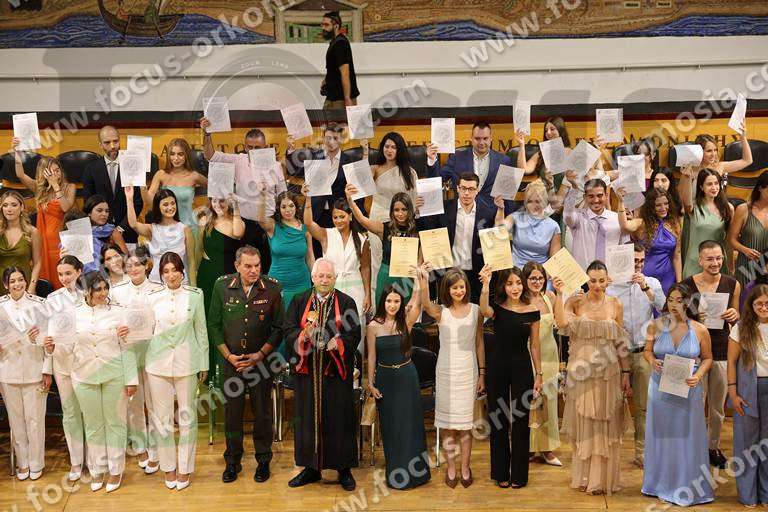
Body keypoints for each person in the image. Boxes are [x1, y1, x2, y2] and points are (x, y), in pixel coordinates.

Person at [553, 261, 632, 496]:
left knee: (606, 425)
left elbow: (620, 343)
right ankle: (586, 478)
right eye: (593, 280)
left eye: (601, 280)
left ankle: (603, 479)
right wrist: (560, 294)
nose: (597, 285)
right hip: (582, 374)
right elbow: (561, 323)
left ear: (608, 280)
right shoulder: (576, 301)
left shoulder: (616, 304)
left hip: (608, 374)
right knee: (585, 425)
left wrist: (626, 372)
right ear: (586, 280)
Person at [207, 246, 284, 484]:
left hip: (261, 363)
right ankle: (232, 461)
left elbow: (279, 328)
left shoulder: (272, 288)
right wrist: (228, 356)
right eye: (248, 266)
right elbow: (214, 325)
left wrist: (259, 355)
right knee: (232, 414)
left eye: (257, 265)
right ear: (237, 266)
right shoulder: (222, 286)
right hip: (232, 362)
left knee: (262, 413)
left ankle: (263, 460)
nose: (253, 270)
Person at [285, 258, 361, 491]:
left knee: (339, 419)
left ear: (335, 278)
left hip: (335, 374)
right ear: (313, 278)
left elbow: (354, 334)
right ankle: (311, 468)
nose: (325, 280)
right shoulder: (299, 301)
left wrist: (338, 343)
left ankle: (343, 469)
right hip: (307, 374)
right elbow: (288, 330)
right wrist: (303, 336)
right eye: (320, 276)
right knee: (307, 419)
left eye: (329, 276)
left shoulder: (346, 302)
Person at [641, 283, 714, 506]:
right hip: (660, 389)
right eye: (670, 300)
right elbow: (646, 351)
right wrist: (652, 361)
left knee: (687, 437)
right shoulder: (655, 326)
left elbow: (708, 358)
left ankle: (687, 484)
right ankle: (658, 483)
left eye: (679, 300)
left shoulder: (700, 329)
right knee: (662, 436)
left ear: (688, 303)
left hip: (688, 389)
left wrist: (698, 375)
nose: (674, 305)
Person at [145, 252, 208, 491]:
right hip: (157, 365)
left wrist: (204, 363)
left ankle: (185, 467)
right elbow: (145, 330)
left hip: (187, 362)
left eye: (175, 270)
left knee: (187, 417)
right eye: (166, 271)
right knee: (161, 420)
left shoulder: (195, 294)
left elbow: (201, 330)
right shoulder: (152, 297)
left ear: (182, 271)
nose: (171, 275)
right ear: (161, 274)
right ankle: (168, 466)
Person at [420, 266, 484, 488]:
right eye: (454, 287)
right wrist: (423, 278)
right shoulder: (441, 311)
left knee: (466, 425)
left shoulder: (476, 310)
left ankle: (465, 468)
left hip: (468, 371)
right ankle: (451, 467)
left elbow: (479, 343)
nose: (459, 291)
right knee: (448, 426)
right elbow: (425, 303)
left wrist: (482, 373)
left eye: (462, 287)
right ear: (447, 290)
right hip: (446, 371)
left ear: (467, 288)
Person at [72, 271, 135, 493]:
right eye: (97, 289)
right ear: (86, 291)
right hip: (84, 376)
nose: (102, 293)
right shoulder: (73, 313)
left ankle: (116, 469)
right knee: (93, 425)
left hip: (114, 375)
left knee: (115, 423)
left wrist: (131, 379)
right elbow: (66, 346)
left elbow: (127, 347)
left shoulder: (118, 312)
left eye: (105, 288)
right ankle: (97, 468)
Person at [478, 265, 541, 488]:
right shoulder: (496, 308)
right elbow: (483, 309)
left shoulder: (532, 310)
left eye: (518, 283)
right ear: (503, 287)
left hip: (522, 367)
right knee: (498, 420)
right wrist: (485, 284)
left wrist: (539, 374)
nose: (515, 287)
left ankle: (519, 475)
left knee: (521, 421)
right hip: (497, 367)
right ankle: (501, 472)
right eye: (510, 283)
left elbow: (535, 346)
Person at [681, 240, 741, 469]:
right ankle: (693, 448)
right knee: (695, 403)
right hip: (695, 353)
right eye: (710, 259)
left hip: (722, 350)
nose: (715, 263)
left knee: (717, 407)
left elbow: (737, 318)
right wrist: (693, 318)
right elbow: (675, 319)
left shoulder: (732, 284)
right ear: (700, 260)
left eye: (718, 258)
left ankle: (713, 447)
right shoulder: (686, 286)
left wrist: (735, 314)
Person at [366, 280, 430, 490]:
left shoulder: (406, 322)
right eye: (389, 301)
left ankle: (416, 474)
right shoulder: (373, 326)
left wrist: (420, 278)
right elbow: (371, 356)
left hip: (406, 377)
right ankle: (395, 473)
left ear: (401, 303)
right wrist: (371, 384)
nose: (392, 305)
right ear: (382, 302)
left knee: (410, 425)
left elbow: (417, 300)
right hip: (385, 379)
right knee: (391, 426)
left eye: (396, 301)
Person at [200, 120, 287, 273]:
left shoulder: (276, 166)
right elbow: (210, 156)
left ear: (265, 146)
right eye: (250, 147)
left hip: (270, 224)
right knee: (246, 270)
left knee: (269, 268)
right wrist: (206, 134)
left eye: (257, 147)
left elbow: (282, 196)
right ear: (245, 147)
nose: (253, 151)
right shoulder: (238, 160)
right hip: (245, 226)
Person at [605, 243, 665, 467]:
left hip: (642, 351)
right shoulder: (610, 286)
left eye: (641, 261)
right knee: (610, 405)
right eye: (634, 261)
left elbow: (664, 307)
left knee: (643, 406)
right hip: (614, 354)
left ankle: (642, 452)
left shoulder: (653, 283)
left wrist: (645, 287)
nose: (638, 266)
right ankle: (607, 453)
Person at [109, 247, 162, 474]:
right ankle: (140, 447)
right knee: (134, 405)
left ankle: (157, 451)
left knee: (155, 404)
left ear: (147, 265)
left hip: (153, 352)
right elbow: (111, 320)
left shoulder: (158, 289)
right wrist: (117, 330)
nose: (133, 269)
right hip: (129, 353)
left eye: (137, 264)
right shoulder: (117, 291)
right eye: (129, 265)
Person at [0, 266, 51, 481]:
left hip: (34, 369)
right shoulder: (1, 306)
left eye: (20, 279)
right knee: (16, 421)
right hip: (8, 370)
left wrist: (47, 370)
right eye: (12, 281)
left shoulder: (39, 305)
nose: (17, 284)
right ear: (6, 285)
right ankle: (22, 463)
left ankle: (36, 463)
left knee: (35, 420)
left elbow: (49, 342)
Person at [303, 191, 371, 348]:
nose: (338, 220)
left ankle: (356, 361)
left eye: (342, 216)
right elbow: (308, 222)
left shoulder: (362, 239)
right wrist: (308, 198)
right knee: (331, 328)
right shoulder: (326, 234)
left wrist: (368, 294)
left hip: (356, 290)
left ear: (350, 216)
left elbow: (366, 268)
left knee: (355, 330)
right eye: (335, 217)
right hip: (331, 288)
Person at [285, 123, 361, 251]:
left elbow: (357, 193)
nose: (331, 142)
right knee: (315, 252)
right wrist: (291, 149)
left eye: (335, 138)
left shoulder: (350, 160)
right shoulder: (313, 156)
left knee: (337, 252)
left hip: (339, 216)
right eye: (328, 138)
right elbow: (293, 170)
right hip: (315, 214)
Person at [420, 173, 495, 302]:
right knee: (446, 310)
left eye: (471, 189)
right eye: (463, 188)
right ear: (457, 188)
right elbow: (428, 230)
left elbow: (494, 241)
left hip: (475, 274)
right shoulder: (444, 209)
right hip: (448, 272)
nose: (466, 193)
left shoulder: (488, 213)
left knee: (473, 311)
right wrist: (421, 210)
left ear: (477, 190)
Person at [44, 256, 86, 481]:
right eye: (60, 274)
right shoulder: (52, 299)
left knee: (89, 411)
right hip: (61, 363)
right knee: (70, 413)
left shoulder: (88, 294)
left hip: (86, 362)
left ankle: (94, 458)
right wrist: (47, 364)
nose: (64, 278)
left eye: (68, 273)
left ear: (79, 271)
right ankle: (76, 461)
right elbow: (46, 334)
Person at [11, 140, 75, 289]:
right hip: (42, 241)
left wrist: (56, 185)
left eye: (57, 170)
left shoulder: (69, 187)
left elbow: (65, 207)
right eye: (51, 172)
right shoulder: (39, 189)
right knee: (46, 277)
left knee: (62, 275)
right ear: (44, 174)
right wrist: (17, 152)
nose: (56, 174)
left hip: (60, 241)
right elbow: (20, 174)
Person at [361, 132, 418, 298]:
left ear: (400, 150)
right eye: (387, 146)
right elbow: (361, 181)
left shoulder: (409, 172)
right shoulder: (375, 169)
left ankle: (402, 301)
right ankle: (376, 301)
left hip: (401, 221)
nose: (390, 150)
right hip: (378, 218)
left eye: (394, 147)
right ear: (382, 148)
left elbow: (413, 201)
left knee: (401, 262)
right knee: (377, 260)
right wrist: (365, 151)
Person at [728, 284, 768, 507]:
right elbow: (731, 362)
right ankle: (748, 495)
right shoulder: (741, 328)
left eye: (767, 303)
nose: (763, 307)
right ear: (751, 306)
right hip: (747, 390)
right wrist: (733, 392)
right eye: (758, 303)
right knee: (747, 443)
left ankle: (766, 493)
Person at [196, 196, 245, 380]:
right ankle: (208, 372)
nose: (218, 205)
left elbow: (238, 233)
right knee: (210, 321)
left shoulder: (236, 221)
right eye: (214, 201)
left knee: (228, 323)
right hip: (207, 277)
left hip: (228, 281)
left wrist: (236, 206)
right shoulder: (205, 220)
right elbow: (199, 249)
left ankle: (228, 370)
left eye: (222, 201)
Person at [346, 189, 420, 304]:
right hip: (387, 277)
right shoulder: (384, 228)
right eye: (396, 210)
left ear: (410, 210)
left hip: (407, 279)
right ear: (391, 211)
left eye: (404, 209)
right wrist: (351, 201)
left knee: (406, 312)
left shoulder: (417, 229)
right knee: (384, 312)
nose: (400, 213)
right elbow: (362, 219)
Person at [521, 262, 562, 466]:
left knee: (550, 404)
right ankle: (528, 448)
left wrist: (561, 294)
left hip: (550, 355)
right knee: (530, 403)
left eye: (540, 278)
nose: (537, 282)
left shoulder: (550, 297)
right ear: (525, 280)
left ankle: (547, 449)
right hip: (529, 356)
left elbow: (561, 323)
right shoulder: (520, 301)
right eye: (533, 278)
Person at [426, 121, 513, 213]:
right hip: (462, 213)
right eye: (477, 138)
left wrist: (508, 218)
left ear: (491, 138)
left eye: (485, 138)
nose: (481, 142)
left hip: (492, 215)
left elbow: (508, 195)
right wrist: (432, 160)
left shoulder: (504, 161)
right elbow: (436, 181)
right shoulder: (456, 158)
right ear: (471, 138)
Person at [82, 126, 144, 244]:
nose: (112, 146)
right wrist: (104, 227)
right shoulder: (91, 169)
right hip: (101, 233)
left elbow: (137, 202)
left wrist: (121, 228)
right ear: (100, 144)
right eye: (107, 142)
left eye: (115, 141)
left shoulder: (132, 165)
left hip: (128, 232)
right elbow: (89, 202)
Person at [617, 187, 682, 295]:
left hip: (668, 277)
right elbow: (625, 226)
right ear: (651, 207)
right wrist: (621, 202)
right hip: (645, 277)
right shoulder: (642, 223)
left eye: (666, 204)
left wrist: (679, 283)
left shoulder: (674, 224)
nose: (663, 208)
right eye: (658, 205)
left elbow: (677, 256)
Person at [256, 191, 312, 314]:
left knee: (301, 319)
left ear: (296, 207)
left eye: (291, 206)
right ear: (278, 208)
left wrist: (315, 277)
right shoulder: (273, 226)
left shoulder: (305, 228)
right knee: (278, 320)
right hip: (277, 283)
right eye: (283, 206)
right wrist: (262, 196)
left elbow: (309, 257)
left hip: (302, 282)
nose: (288, 210)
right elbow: (260, 219)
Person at [125, 187, 194, 285]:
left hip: (180, 283)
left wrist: (194, 287)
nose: (170, 207)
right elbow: (133, 224)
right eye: (165, 204)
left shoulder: (185, 229)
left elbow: (191, 262)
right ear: (158, 207)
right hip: (156, 283)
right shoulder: (151, 229)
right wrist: (129, 199)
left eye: (173, 203)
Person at [679, 168, 733, 278]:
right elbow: (686, 202)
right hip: (695, 262)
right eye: (709, 184)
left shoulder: (728, 208)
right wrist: (687, 178)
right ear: (701, 187)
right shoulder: (693, 207)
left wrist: (731, 265)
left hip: (717, 262)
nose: (714, 187)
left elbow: (729, 240)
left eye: (716, 183)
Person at [563, 179, 627, 270]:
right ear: (585, 197)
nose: (596, 200)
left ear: (606, 195)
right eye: (591, 196)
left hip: (610, 275)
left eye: (599, 196)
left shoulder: (617, 218)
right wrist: (573, 190)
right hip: (583, 275)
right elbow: (567, 214)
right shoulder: (578, 218)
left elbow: (625, 249)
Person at [495, 180, 561, 267]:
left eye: (537, 201)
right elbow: (499, 232)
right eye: (530, 201)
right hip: (516, 271)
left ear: (544, 202)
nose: (533, 205)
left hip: (540, 272)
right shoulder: (515, 218)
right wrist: (500, 209)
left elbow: (555, 260)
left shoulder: (553, 226)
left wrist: (543, 275)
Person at [146, 138, 207, 229]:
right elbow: (149, 202)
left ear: (186, 156)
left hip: (189, 227)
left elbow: (215, 189)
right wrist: (142, 188)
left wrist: (206, 209)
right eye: (172, 154)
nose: (176, 158)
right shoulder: (160, 175)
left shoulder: (194, 176)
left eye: (180, 154)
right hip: (166, 228)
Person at [516, 116, 573, 209]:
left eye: (552, 129)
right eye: (546, 130)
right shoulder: (541, 153)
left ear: (561, 130)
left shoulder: (571, 153)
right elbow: (524, 169)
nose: (548, 133)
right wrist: (521, 145)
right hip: (542, 201)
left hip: (564, 203)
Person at [728, 171, 768, 288]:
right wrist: (745, 250)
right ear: (760, 188)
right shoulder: (744, 209)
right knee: (745, 298)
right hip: (746, 266)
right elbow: (731, 240)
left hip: (767, 268)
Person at [0, 190, 42, 295]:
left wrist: (32, 287)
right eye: (5, 205)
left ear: (22, 207)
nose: (9, 209)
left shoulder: (32, 232)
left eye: (14, 205)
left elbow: (37, 263)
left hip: (24, 285)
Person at [80, 194, 128, 273]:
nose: (104, 214)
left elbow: (125, 258)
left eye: (107, 211)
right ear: (89, 213)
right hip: (84, 275)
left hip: (109, 275)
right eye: (99, 210)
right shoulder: (80, 233)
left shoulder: (113, 232)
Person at [320, 10, 359, 109]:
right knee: (324, 118)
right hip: (333, 96)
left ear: (336, 26)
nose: (323, 28)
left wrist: (347, 98)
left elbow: (345, 73)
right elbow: (334, 68)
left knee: (337, 120)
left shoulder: (340, 44)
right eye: (322, 25)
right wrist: (326, 80)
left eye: (326, 25)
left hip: (340, 99)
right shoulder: (334, 42)